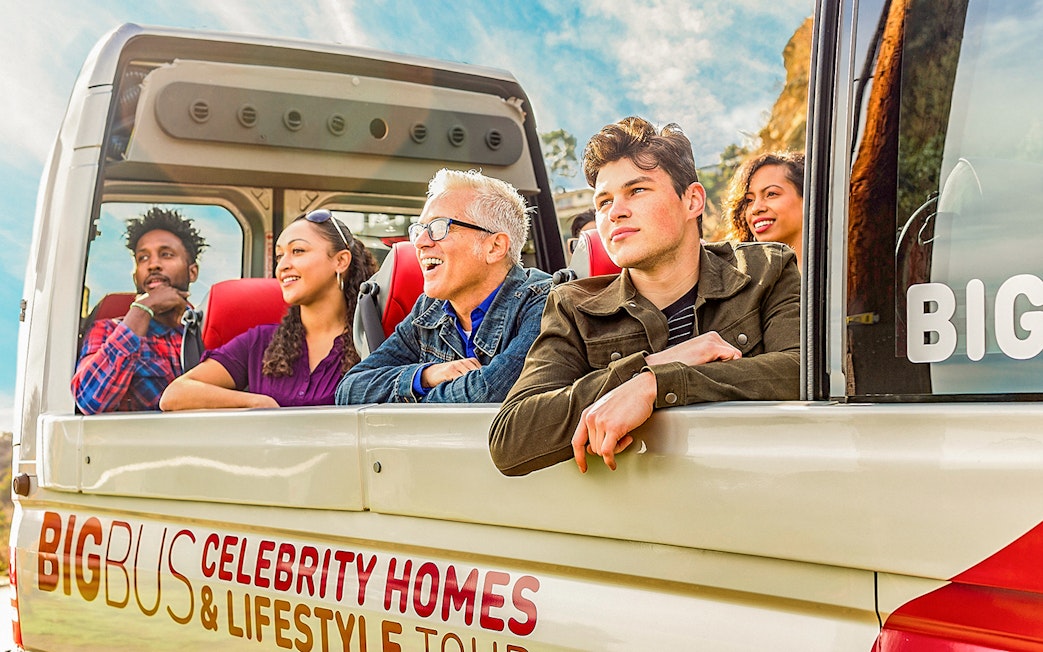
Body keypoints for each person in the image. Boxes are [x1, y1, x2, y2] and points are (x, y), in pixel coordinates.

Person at [489, 117, 801, 476]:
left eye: (636, 190)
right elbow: (511, 439)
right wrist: (653, 363)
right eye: (603, 201)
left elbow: (801, 372)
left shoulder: (765, 269)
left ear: (692, 200)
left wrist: (657, 383)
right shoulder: (572, 306)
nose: (614, 212)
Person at [335, 168, 552, 404]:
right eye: (419, 230)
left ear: (495, 247)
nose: (419, 242)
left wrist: (405, 401)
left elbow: (488, 394)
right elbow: (349, 390)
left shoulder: (545, 302)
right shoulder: (429, 309)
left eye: (439, 228)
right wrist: (425, 376)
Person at [160, 210, 376, 409]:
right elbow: (175, 394)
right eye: (280, 256)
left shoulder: (372, 342)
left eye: (297, 251)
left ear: (340, 261)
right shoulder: (259, 342)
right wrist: (258, 403)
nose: (282, 266)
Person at [72, 207, 207, 414]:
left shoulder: (211, 328)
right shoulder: (107, 331)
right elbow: (90, 401)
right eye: (143, 258)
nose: (153, 265)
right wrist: (143, 309)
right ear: (136, 276)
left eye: (166, 255)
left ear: (192, 272)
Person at [724, 151, 805, 265]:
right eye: (749, 200)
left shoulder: (836, 272)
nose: (755, 208)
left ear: (806, 197)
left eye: (771, 194)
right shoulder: (745, 280)